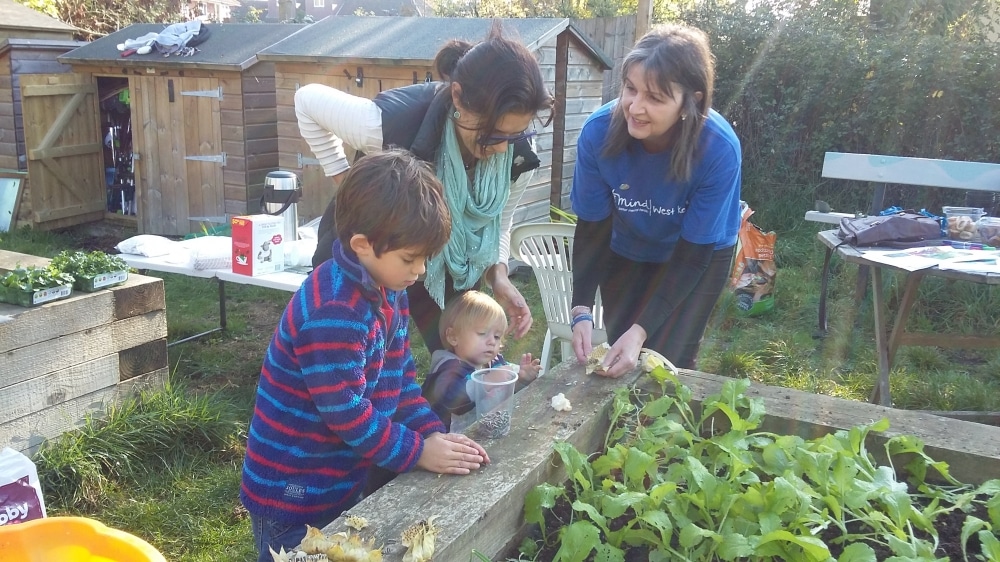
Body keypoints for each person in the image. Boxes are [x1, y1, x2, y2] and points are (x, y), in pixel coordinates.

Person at [240, 150, 491, 562]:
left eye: (425, 258)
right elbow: (347, 413)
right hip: (292, 491)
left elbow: (399, 378)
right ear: (362, 245)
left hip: (337, 478)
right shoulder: (335, 311)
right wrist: (417, 451)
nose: (421, 271)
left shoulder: (388, 288)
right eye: (410, 259)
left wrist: (431, 432)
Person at [294, 20, 554, 355]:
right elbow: (306, 100)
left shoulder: (519, 158)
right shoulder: (387, 123)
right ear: (458, 96)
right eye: (492, 135)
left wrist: (498, 274)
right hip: (378, 249)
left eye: (513, 135)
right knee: (356, 351)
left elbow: (499, 223)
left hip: (456, 260)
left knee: (462, 359)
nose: (502, 149)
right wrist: (345, 181)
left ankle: (434, 404)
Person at [568, 24, 742, 378]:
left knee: (671, 361)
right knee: (623, 354)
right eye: (630, 89)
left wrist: (643, 330)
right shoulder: (597, 133)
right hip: (625, 244)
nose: (636, 107)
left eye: (655, 98)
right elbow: (592, 228)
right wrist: (581, 309)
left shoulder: (719, 149)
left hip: (699, 253)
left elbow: (693, 256)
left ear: (690, 101)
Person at [421, 290, 541, 431]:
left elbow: (503, 394)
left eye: (497, 336)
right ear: (453, 337)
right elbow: (451, 399)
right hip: (446, 440)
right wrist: (487, 381)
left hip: (484, 430)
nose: (491, 342)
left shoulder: (494, 362)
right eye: (482, 333)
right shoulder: (448, 369)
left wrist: (521, 380)